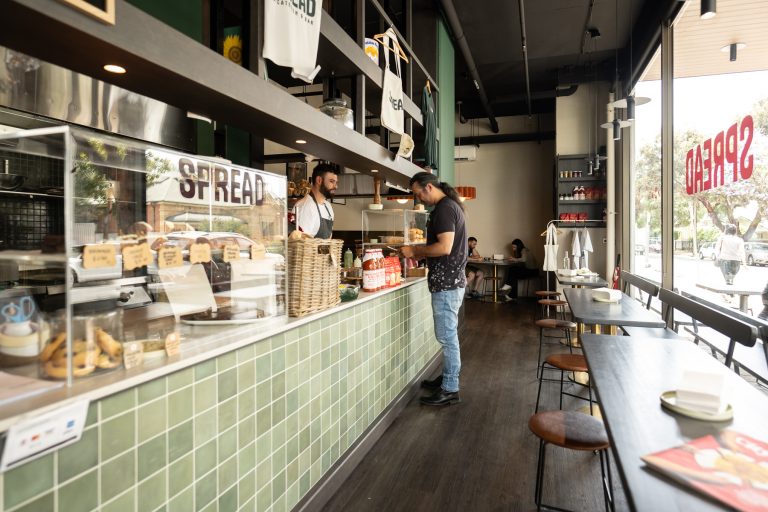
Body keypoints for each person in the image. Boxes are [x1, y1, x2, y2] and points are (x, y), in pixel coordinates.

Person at [400, 172, 467, 406]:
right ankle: (447, 379)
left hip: (447, 285)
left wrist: (415, 252)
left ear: (428, 187)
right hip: (449, 283)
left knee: (447, 338)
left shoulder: (445, 209)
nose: (419, 200)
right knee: (447, 336)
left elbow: (445, 247)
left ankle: (450, 388)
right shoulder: (448, 207)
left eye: (418, 194)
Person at [290, 162, 339, 239]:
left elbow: (329, 239)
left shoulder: (328, 206)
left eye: (336, 182)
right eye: (332, 181)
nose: (336, 186)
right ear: (319, 180)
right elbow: (301, 243)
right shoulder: (306, 206)